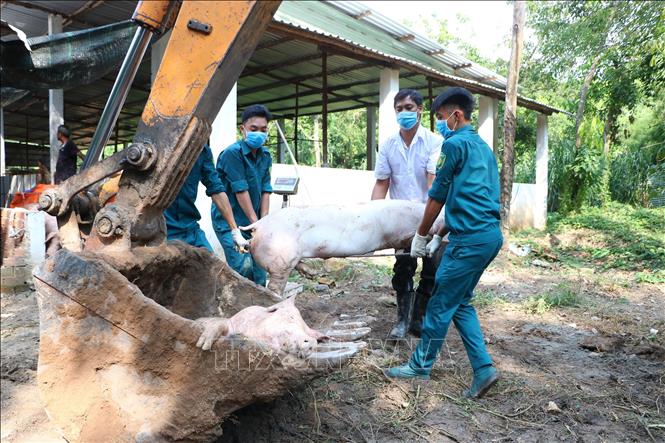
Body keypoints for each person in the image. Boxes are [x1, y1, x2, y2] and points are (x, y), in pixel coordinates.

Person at [384, 87, 503, 400]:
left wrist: (421, 235)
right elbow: (466, 197)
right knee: (459, 301)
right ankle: (484, 368)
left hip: (469, 240)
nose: (439, 124)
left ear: (456, 116)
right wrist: (438, 235)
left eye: (440, 118)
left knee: (439, 303)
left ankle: (419, 365)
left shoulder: (453, 145)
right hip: (488, 236)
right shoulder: (482, 148)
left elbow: (438, 194)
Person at [371, 88, 444, 339]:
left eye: (409, 108)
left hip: (432, 215)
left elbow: (434, 181)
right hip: (401, 220)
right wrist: (372, 220)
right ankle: (402, 321)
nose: (404, 113)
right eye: (399, 109)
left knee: (432, 269)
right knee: (403, 268)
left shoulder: (435, 142)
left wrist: (438, 223)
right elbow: (382, 183)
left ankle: (419, 319)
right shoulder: (388, 145)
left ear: (420, 110)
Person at [213, 104, 273, 286]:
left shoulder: (266, 155)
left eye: (263, 130)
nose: (259, 133)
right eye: (254, 129)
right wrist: (256, 224)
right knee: (243, 269)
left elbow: (266, 190)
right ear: (243, 129)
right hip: (230, 223)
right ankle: (239, 311)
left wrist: (264, 223)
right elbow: (241, 191)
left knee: (260, 270)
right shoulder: (232, 154)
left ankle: (259, 311)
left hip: (254, 223)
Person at [164, 144, 248, 253]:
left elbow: (216, 189)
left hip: (190, 228)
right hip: (162, 231)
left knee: (214, 267)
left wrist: (235, 231)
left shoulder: (202, 151)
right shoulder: (156, 146)